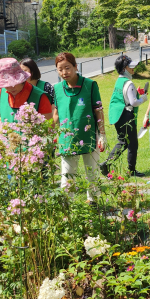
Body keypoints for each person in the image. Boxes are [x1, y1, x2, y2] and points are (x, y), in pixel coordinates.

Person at [52, 52, 106, 201]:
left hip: (89, 136)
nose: (64, 73)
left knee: (92, 173)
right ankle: (68, 206)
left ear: (76, 67)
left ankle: (93, 203)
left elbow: (98, 110)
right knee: (67, 177)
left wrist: (102, 134)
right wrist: (48, 134)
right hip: (66, 138)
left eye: (67, 68)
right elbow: (56, 114)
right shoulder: (57, 89)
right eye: (60, 69)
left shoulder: (90, 85)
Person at [101, 55, 147, 177]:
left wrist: (134, 92)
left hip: (118, 115)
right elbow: (133, 102)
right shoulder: (129, 83)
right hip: (126, 114)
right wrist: (143, 98)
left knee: (123, 142)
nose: (133, 69)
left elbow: (123, 95)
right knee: (132, 144)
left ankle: (107, 164)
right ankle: (131, 171)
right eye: (130, 67)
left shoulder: (119, 81)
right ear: (124, 69)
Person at [0, 58, 52, 123]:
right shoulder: (2, 92)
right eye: (5, 84)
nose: (10, 87)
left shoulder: (40, 97)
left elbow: (48, 128)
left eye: (13, 82)